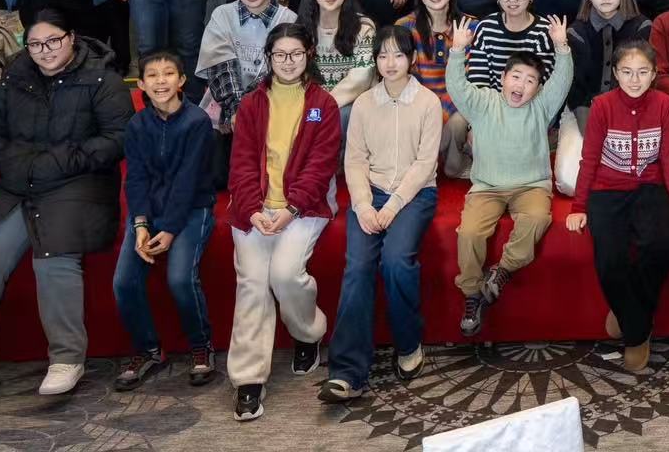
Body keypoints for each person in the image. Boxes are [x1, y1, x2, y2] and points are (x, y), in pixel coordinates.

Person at [0, 11, 128, 405]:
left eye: (53, 41)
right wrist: (16, 165)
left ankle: (66, 358)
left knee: (54, 257)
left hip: (77, 182)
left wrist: (58, 162)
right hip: (19, 183)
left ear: (71, 37)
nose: (44, 51)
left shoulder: (103, 79)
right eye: (35, 44)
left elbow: (116, 138)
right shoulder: (15, 77)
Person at [224, 22, 341, 422]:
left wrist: (290, 209)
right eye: (279, 55)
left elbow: (320, 167)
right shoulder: (251, 104)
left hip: (304, 207)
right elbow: (240, 163)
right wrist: (252, 209)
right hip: (253, 209)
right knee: (253, 283)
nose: (288, 62)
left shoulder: (323, 104)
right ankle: (248, 380)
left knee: (286, 275)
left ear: (309, 55)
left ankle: (308, 333)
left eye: (295, 54)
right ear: (268, 58)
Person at [319, 25, 442, 402]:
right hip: (369, 193)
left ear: (411, 59)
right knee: (357, 267)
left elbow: (425, 164)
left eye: (398, 55)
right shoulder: (363, 104)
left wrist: (392, 205)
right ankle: (347, 372)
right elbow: (354, 160)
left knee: (396, 262)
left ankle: (408, 343)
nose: (390, 63)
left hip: (414, 195)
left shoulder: (427, 102)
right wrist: (361, 204)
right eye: (383, 55)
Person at [445, 16, 574, 338]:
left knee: (536, 219)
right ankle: (472, 293)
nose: (521, 85)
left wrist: (561, 46)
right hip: (486, 187)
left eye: (530, 81)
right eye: (516, 76)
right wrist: (457, 51)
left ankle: (502, 271)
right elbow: (457, 87)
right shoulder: (483, 102)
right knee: (469, 233)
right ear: (502, 78)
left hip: (531, 186)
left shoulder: (542, 106)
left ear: (538, 88)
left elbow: (562, 81)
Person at [566, 41, 669, 373]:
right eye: (627, 72)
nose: (635, 80)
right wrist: (578, 205)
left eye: (643, 72)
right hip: (607, 190)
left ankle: (629, 316)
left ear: (654, 74)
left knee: (662, 251)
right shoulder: (602, 105)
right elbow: (590, 158)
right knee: (610, 261)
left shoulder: (664, 104)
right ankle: (637, 333)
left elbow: (668, 157)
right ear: (616, 73)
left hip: (650, 187)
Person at [111, 50, 219, 393]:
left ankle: (201, 345)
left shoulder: (197, 121)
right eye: (153, 75)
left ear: (182, 80)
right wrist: (141, 224)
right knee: (123, 282)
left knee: (180, 278)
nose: (161, 81)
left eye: (169, 73)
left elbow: (188, 181)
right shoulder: (137, 125)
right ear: (141, 84)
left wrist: (169, 229)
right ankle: (148, 349)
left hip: (193, 209)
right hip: (150, 212)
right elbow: (136, 178)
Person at [557, 0, 653, 194]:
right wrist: (594, 133)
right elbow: (575, 89)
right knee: (569, 182)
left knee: (639, 178)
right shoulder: (576, 31)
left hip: (632, 111)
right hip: (583, 110)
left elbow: (643, 81)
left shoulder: (641, 27)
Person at [197, 0, 300, 135]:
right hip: (226, 106)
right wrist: (237, 109)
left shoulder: (289, 19)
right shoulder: (222, 15)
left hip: (270, 105)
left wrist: (248, 109)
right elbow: (220, 68)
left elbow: (284, 72)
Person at [396, 0, 471, 175]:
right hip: (418, 109)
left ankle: (451, 162)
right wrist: (428, 116)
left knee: (459, 122)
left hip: (456, 109)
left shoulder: (471, 26)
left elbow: (472, 83)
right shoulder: (404, 27)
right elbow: (402, 81)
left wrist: (441, 117)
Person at [300, 0, 378, 125]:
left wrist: (324, 106)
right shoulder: (301, 28)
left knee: (342, 115)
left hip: (351, 104)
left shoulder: (364, 27)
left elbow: (361, 78)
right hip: (311, 102)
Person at [468, 0, 557, 89]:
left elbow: (541, 87)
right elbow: (478, 84)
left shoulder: (544, 31)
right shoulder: (485, 27)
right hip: (490, 100)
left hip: (532, 100)